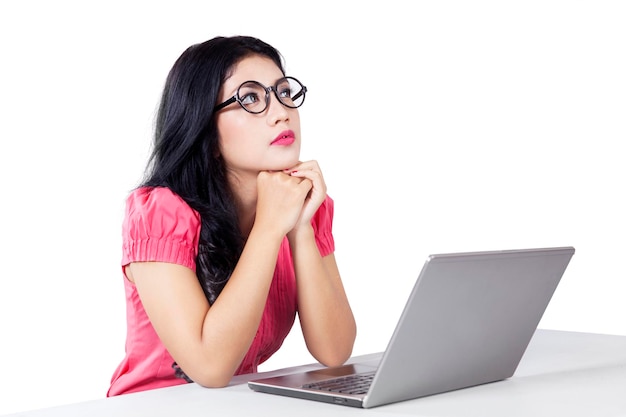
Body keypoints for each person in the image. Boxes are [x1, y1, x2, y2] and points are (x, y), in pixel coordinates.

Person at [107, 35, 357, 396]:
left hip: (234, 404)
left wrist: (300, 228)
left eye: (284, 92)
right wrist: (269, 230)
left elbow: (334, 350)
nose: (281, 112)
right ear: (204, 127)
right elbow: (210, 366)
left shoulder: (303, 206)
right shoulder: (161, 212)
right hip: (152, 405)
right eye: (250, 98)